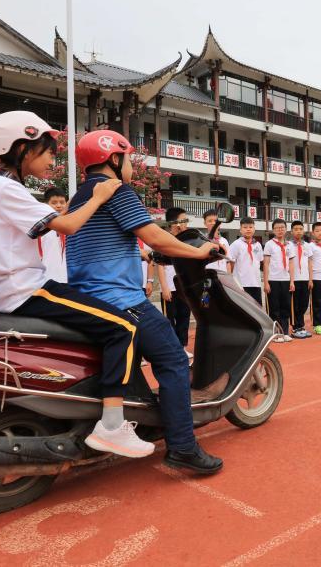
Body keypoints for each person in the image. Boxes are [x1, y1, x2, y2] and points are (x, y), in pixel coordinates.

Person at [0, 112, 155, 459]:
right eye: (47, 150)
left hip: (8, 291)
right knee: (125, 326)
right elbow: (67, 226)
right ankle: (112, 425)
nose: (52, 159)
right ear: (22, 148)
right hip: (24, 290)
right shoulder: (4, 188)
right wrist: (99, 196)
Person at [66, 129, 223, 473]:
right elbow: (155, 237)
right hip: (120, 299)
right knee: (174, 359)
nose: (131, 168)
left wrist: (155, 255)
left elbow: (121, 245)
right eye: (128, 160)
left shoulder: (80, 196)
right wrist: (199, 251)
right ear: (113, 158)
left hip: (88, 299)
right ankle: (183, 446)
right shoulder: (115, 189)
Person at [162, 207, 192, 347]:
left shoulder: (187, 240)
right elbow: (160, 265)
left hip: (184, 287)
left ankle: (182, 347)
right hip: (170, 287)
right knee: (170, 319)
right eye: (183, 220)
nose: (186, 223)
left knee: (184, 317)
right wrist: (164, 287)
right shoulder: (164, 238)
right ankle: (172, 347)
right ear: (174, 223)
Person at [262, 218, 294, 338]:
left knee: (285, 307)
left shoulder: (289, 245)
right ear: (273, 230)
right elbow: (266, 264)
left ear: (286, 229)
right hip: (273, 280)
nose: (280, 230)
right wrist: (266, 282)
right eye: (277, 228)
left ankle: (284, 332)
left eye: (282, 228)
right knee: (274, 307)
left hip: (286, 280)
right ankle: (275, 333)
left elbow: (291, 264)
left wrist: (292, 281)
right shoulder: (269, 244)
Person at [231, 217, 264, 303]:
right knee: (242, 308)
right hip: (241, 284)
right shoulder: (236, 244)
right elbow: (230, 263)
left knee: (256, 307)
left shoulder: (258, 245)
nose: (248, 229)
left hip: (256, 283)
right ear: (240, 230)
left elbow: (259, 261)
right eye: (245, 227)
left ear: (254, 229)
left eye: (250, 227)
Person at [289, 221, 313, 338]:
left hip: (305, 278)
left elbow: (309, 262)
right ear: (291, 231)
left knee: (304, 304)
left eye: (300, 229)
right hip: (294, 280)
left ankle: (301, 326)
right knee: (295, 305)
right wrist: (291, 281)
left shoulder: (307, 246)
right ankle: (295, 328)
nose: (298, 231)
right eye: (296, 229)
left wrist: (310, 279)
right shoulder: (288, 245)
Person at [40, 187, 69, 283]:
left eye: (62, 202)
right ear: (46, 204)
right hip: (45, 278)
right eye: (54, 203)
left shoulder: (70, 227)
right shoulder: (40, 228)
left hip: (66, 278)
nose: (59, 206)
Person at [203, 209, 233, 275]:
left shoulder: (224, 241)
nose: (213, 223)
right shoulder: (202, 240)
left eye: (215, 221)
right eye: (210, 221)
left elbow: (227, 261)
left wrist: (229, 276)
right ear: (205, 223)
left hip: (223, 275)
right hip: (208, 276)